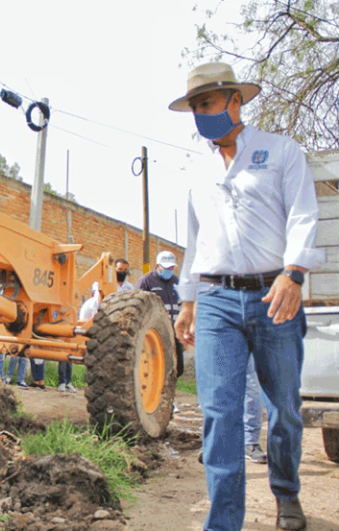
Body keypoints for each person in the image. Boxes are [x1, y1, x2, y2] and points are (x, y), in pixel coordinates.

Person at [171, 62, 323, 531]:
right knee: (220, 414)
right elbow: (195, 241)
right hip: (216, 299)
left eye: (209, 103)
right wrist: (189, 300)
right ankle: (224, 522)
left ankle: (287, 493)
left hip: (274, 295)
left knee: (283, 411)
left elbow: (302, 214)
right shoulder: (196, 171)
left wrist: (294, 274)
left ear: (236, 101)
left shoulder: (280, 151)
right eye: (196, 106)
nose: (202, 114)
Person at [136, 250, 184, 378]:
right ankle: (160, 391)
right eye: (166, 267)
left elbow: (181, 304)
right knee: (157, 365)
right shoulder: (146, 281)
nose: (169, 270)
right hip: (155, 331)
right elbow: (138, 304)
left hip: (173, 330)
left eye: (172, 267)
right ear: (157, 266)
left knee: (179, 367)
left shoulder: (176, 282)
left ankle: (168, 388)